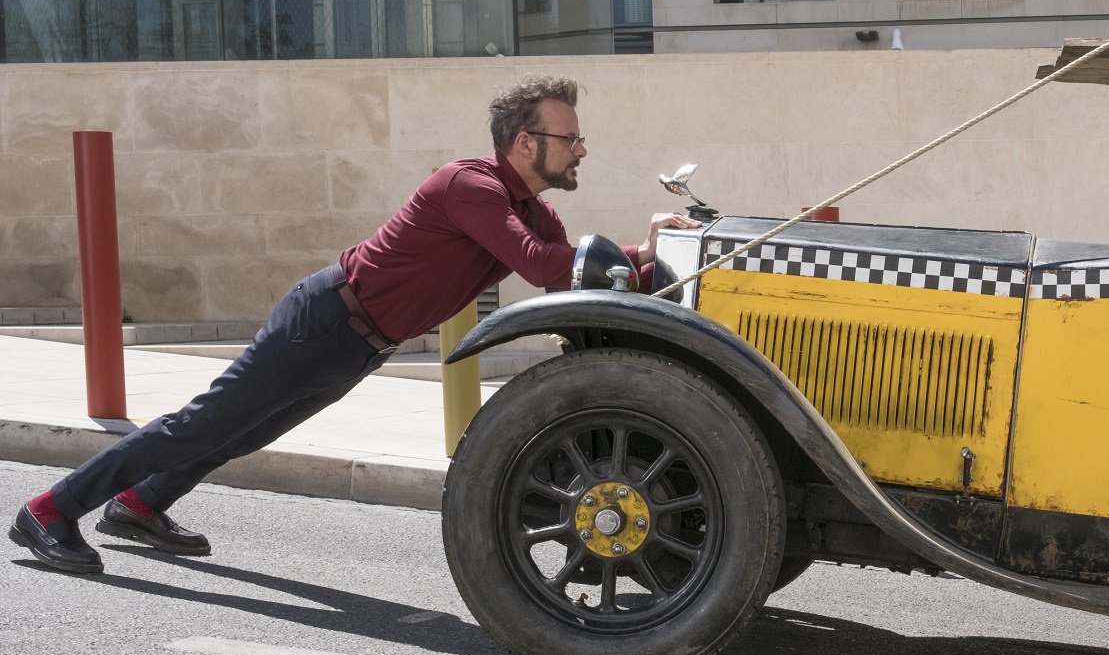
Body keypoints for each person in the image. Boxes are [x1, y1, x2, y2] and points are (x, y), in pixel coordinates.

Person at [11, 75, 698, 575]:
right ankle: (49, 509)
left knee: (250, 430)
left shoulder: (534, 210)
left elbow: (560, 274)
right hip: (322, 320)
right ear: (525, 142)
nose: (580, 149)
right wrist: (636, 246)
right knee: (200, 423)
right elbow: (539, 261)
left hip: (359, 344)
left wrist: (660, 256)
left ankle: (140, 500)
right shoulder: (472, 186)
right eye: (569, 137)